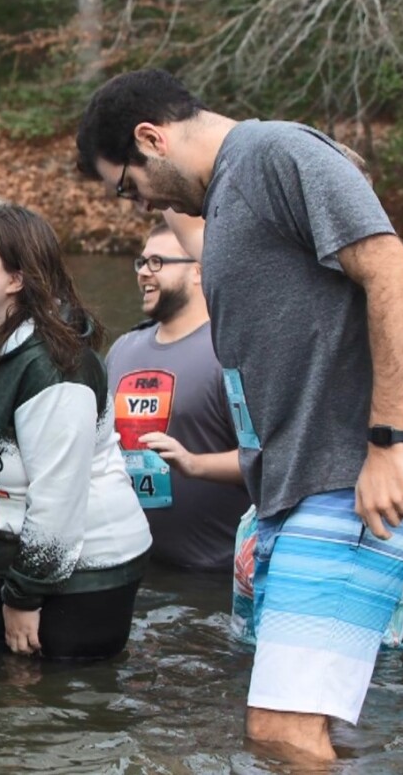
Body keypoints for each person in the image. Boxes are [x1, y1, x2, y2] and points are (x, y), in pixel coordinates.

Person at [77, 68, 403, 761]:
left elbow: (390, 268)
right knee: (318, 728)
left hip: (347, 478)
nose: (135, 205)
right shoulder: (225, 197)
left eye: (127, 185)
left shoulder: (274, 153)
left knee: (281, 731)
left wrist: (388, 441)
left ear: (151, 138)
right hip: (293, 491)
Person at [0, 188, 152, 660]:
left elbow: (59, 502)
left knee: (52, 712)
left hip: (84, 570)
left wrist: (24, 596)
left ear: (15, 279)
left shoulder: (53, 368)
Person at [105, 218, 249, 571]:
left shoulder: (230, 351)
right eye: (142, 262)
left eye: (158, 262)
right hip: (134, 569)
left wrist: (195, 464)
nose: (143, 273)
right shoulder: (123, 349)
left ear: (200, 271)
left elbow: (269, 459)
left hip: (213, 577)